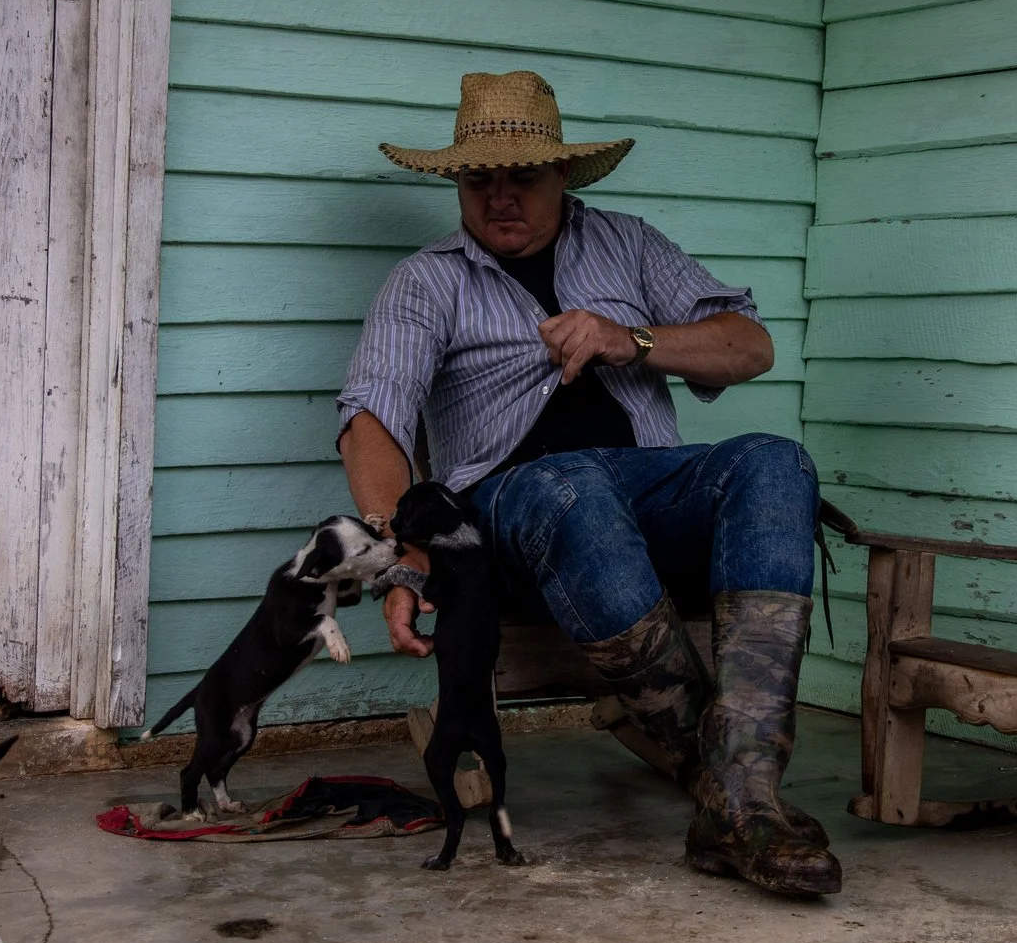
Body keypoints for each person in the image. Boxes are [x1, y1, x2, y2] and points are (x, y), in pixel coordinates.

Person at [335, 70, 839, 896]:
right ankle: (741, 797)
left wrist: (628, 338)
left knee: (776, 459)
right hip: (511, 505)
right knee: (570, 484)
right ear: (456, 183)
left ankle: (738, 797)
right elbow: (372, 419)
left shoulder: (628, 244)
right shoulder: (426, 282)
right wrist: (403, 543)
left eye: (522, 176)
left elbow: (748, 346)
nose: (500, 196)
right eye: (478, 178)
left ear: (563, 174)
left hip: (646, 486)